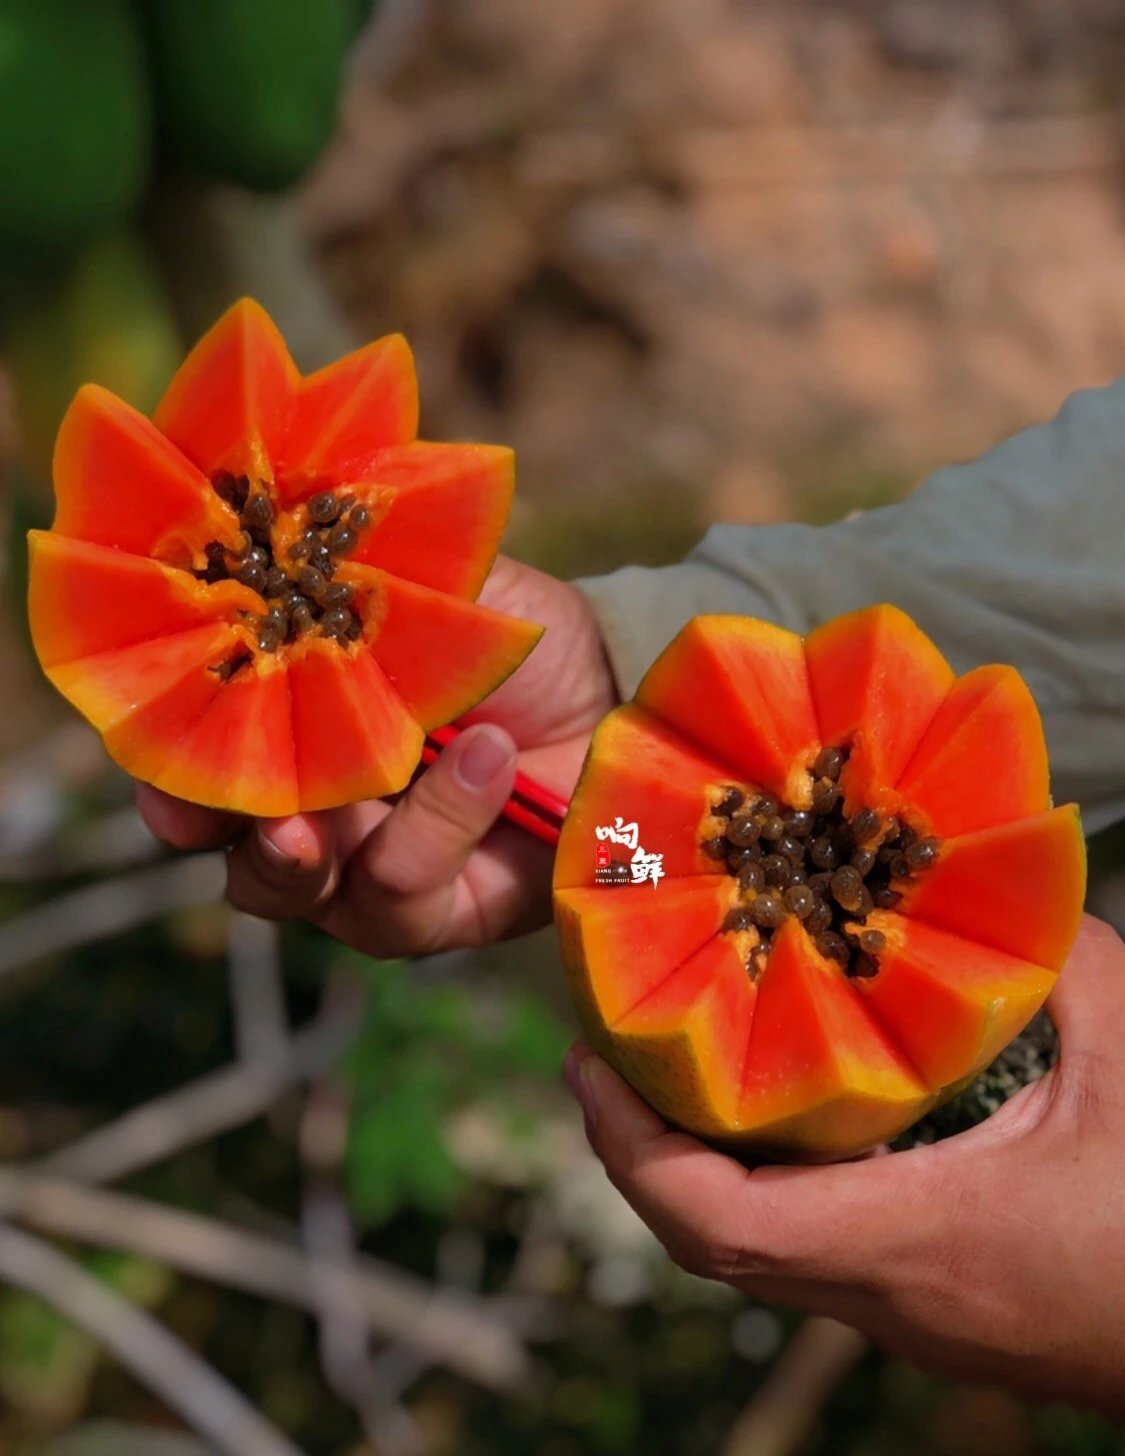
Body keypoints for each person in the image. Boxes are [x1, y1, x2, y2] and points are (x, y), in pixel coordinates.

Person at [138, 376, 1125, 1415]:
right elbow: (630, 861)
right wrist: (621, 669)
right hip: (643, 847)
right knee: (628, 861)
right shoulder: (628, 848)